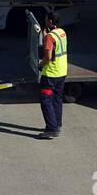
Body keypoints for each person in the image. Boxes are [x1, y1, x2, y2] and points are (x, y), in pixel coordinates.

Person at [37, 11, 68, 139]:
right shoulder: (62, 32)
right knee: (57, 98)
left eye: (46, 19)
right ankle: (57, 124)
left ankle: (51, 129)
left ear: (50, 21)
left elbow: (48, 57)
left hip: (51, 73)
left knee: (46, 100)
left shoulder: (49, 37)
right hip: (62, 71)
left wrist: (40, 65)